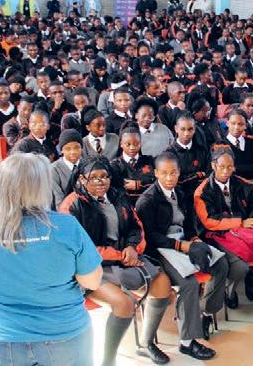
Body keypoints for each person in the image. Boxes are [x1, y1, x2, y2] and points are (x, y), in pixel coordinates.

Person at [0, 153, 103, 366]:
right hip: (64, 334)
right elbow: (92, 281)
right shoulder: (66, 227)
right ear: (41, 187)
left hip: (3, 339)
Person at [59, 155, 172, 365]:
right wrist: (121, 255)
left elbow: (136, 227)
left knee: (163, 284)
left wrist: (132, 248)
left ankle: (146, 343)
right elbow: (81, 249)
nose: (101, 182)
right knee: (124, 304)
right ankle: (108, 360)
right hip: (90, 267)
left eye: (105, 176)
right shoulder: (71, 205)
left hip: (125, 257)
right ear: (82, 179)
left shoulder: (118, 195)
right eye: (94, 177)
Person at [135, 152, 224, 359]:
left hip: (184, 242)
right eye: (164, 173)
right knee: (188, 284)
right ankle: (187, 342)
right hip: (161, 249)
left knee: (221, 264)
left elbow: (190, 222)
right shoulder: (147, 200)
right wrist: (180, 245)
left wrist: (194, 239)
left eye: (173, 172)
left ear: (179, 172)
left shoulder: (182, 193)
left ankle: (205, 312)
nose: (169, 178)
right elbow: (150, 237)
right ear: (156, 173)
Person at [194, 147, 253, 308]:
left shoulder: (244, 184)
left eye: (230, 167)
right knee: (239, 267)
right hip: (221, 236)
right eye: (222, 167)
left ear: (234, 167)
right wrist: (239, 223)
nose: (226, 171)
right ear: (213, 166)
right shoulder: (202, 191)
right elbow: (209, 221)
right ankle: (229, 291)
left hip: (250, 233)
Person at [110, 122, 156, 199]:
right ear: (121, 144)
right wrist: (146, 182)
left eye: (136, 144)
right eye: (128, 144)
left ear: (140, 143)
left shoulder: (149, 160)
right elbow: (117, 188)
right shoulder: (114, 165)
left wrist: (139, 184)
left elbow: (157, 183)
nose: (132, 148)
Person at [224, 109, 253, 180]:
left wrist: (236, 168)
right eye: (233, 123)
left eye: (240, 124)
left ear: (246, 125)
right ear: (227, 123)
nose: (236, 127)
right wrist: (250, 168)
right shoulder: (220, 145)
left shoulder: (252, 143)